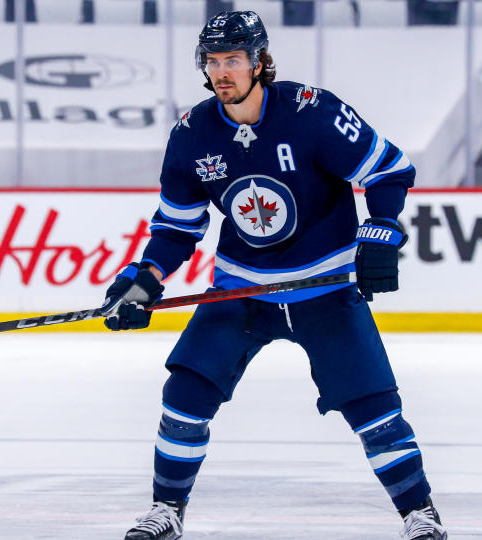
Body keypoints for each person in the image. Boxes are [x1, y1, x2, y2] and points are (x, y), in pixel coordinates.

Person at [101, 10, 447, 540]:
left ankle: (419, 514)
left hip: (324, 288)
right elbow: (177, 226)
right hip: (241, 289)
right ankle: (167, 510)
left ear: (260, 62)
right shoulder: (193, 135)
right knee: (186, 393)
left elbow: (389, 169)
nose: (222, 72)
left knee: (372, 405)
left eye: (234, 60)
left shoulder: (313, 113)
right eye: (213, 61)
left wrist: (381, 228)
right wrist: (144, 277)